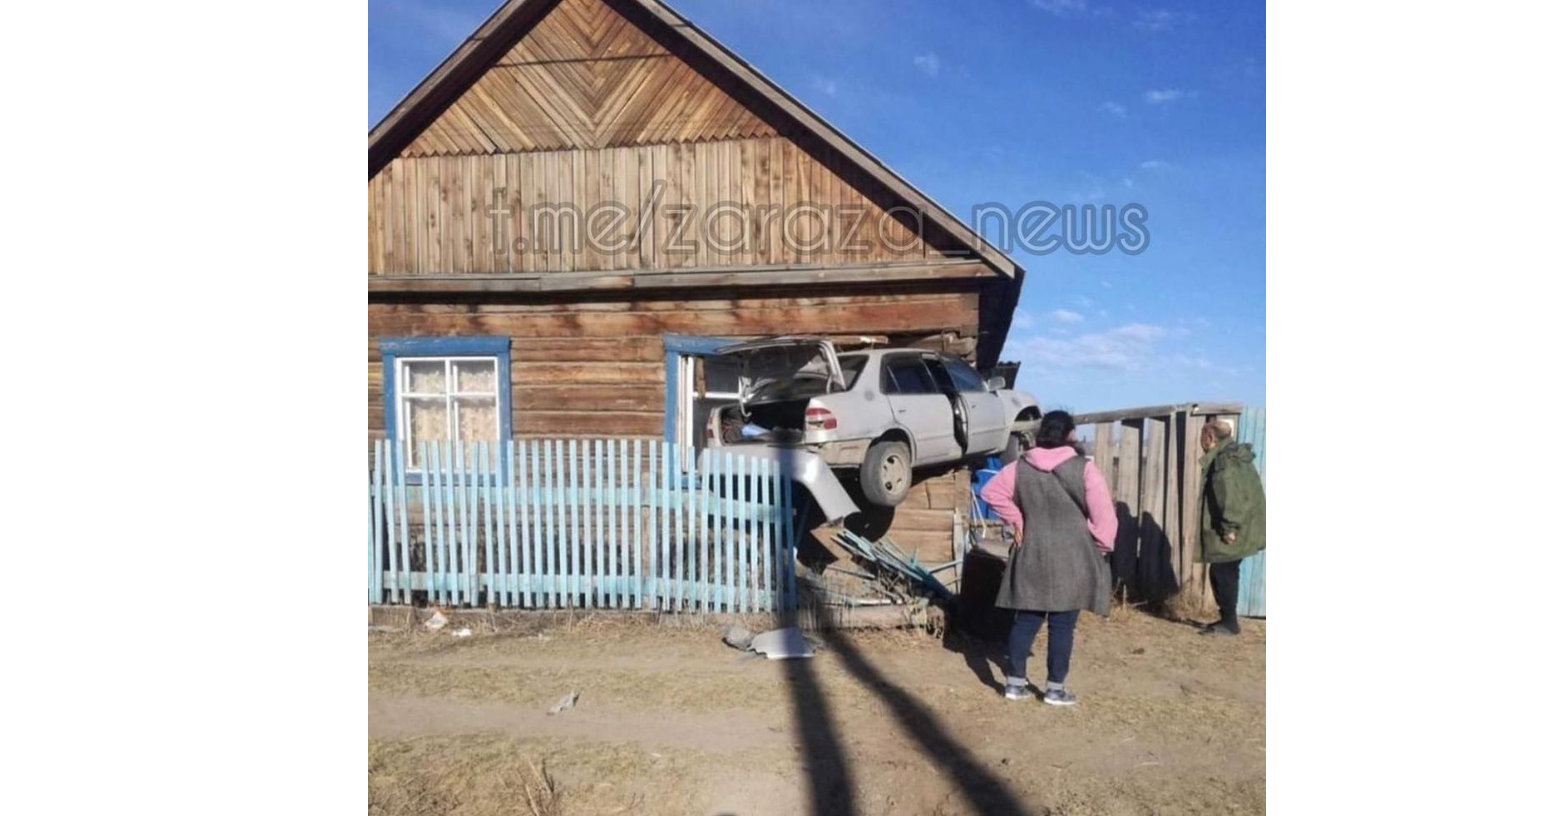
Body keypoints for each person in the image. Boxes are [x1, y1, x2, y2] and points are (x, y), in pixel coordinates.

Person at [980, 410, 1116, 706]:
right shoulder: (1085, 469)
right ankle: (1055, 689)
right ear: (1070, 435)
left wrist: (1018, 521)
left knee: (1026, 620)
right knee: (1063, 624)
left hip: (1032, 549)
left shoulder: (1020, 466)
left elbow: (990, 493)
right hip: (1073, 553)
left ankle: (1014, 684)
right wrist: (1100, 546)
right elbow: (1105, 517)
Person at [1196, 419, 1266, 635]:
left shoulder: (1224, 461)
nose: (1201, 442)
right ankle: (1228, 620)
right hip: (1246, 524)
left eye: (1202, 437)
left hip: (1234, 526)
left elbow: (1229, 497)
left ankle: (1229, 622)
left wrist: (1230, 528)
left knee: (1222, 572)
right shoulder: (1237, 456)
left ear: (1210, 438)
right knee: (1226, 570)